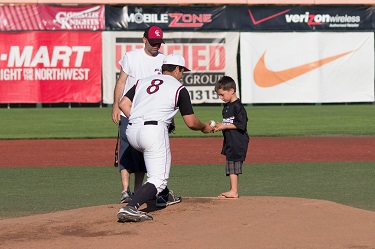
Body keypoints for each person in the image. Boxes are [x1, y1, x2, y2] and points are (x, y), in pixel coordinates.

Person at [117, 54, 214, 222]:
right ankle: (131, 207)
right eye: (182, 70)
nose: (182, 74)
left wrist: (137, 118)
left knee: (156, 165)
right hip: (153, 131)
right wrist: (205, 127)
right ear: (177, 69)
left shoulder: (143, 81)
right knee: (158, 178)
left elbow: (123, 103)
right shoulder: (179, 88)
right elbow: (191, 122)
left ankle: (164, 196)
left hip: (132, 130)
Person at [112, 25, 169, 204]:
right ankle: (124, 190)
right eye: (153, 42)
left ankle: (137, 191)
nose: (156, 46)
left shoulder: (164, 60)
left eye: (159, 43)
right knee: (126, 150)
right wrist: (115, 105)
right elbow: (121, 82)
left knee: (144, 152)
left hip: (150, 114)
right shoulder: (132, 57)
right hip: (128, 110)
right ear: (144, 39)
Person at [213, 76, 250, 198]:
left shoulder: (238, 106)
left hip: (238, 140)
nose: (221, 97)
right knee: (230, 164)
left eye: (222, 95)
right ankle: (233, 190)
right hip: (230, 140)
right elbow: (228, 123)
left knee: (233, 164)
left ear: (232, 91)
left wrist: (224, 127)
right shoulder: (227, 106)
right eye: (219, 95)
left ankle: (234, 191)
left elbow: (241, 124)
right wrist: (220, 126)